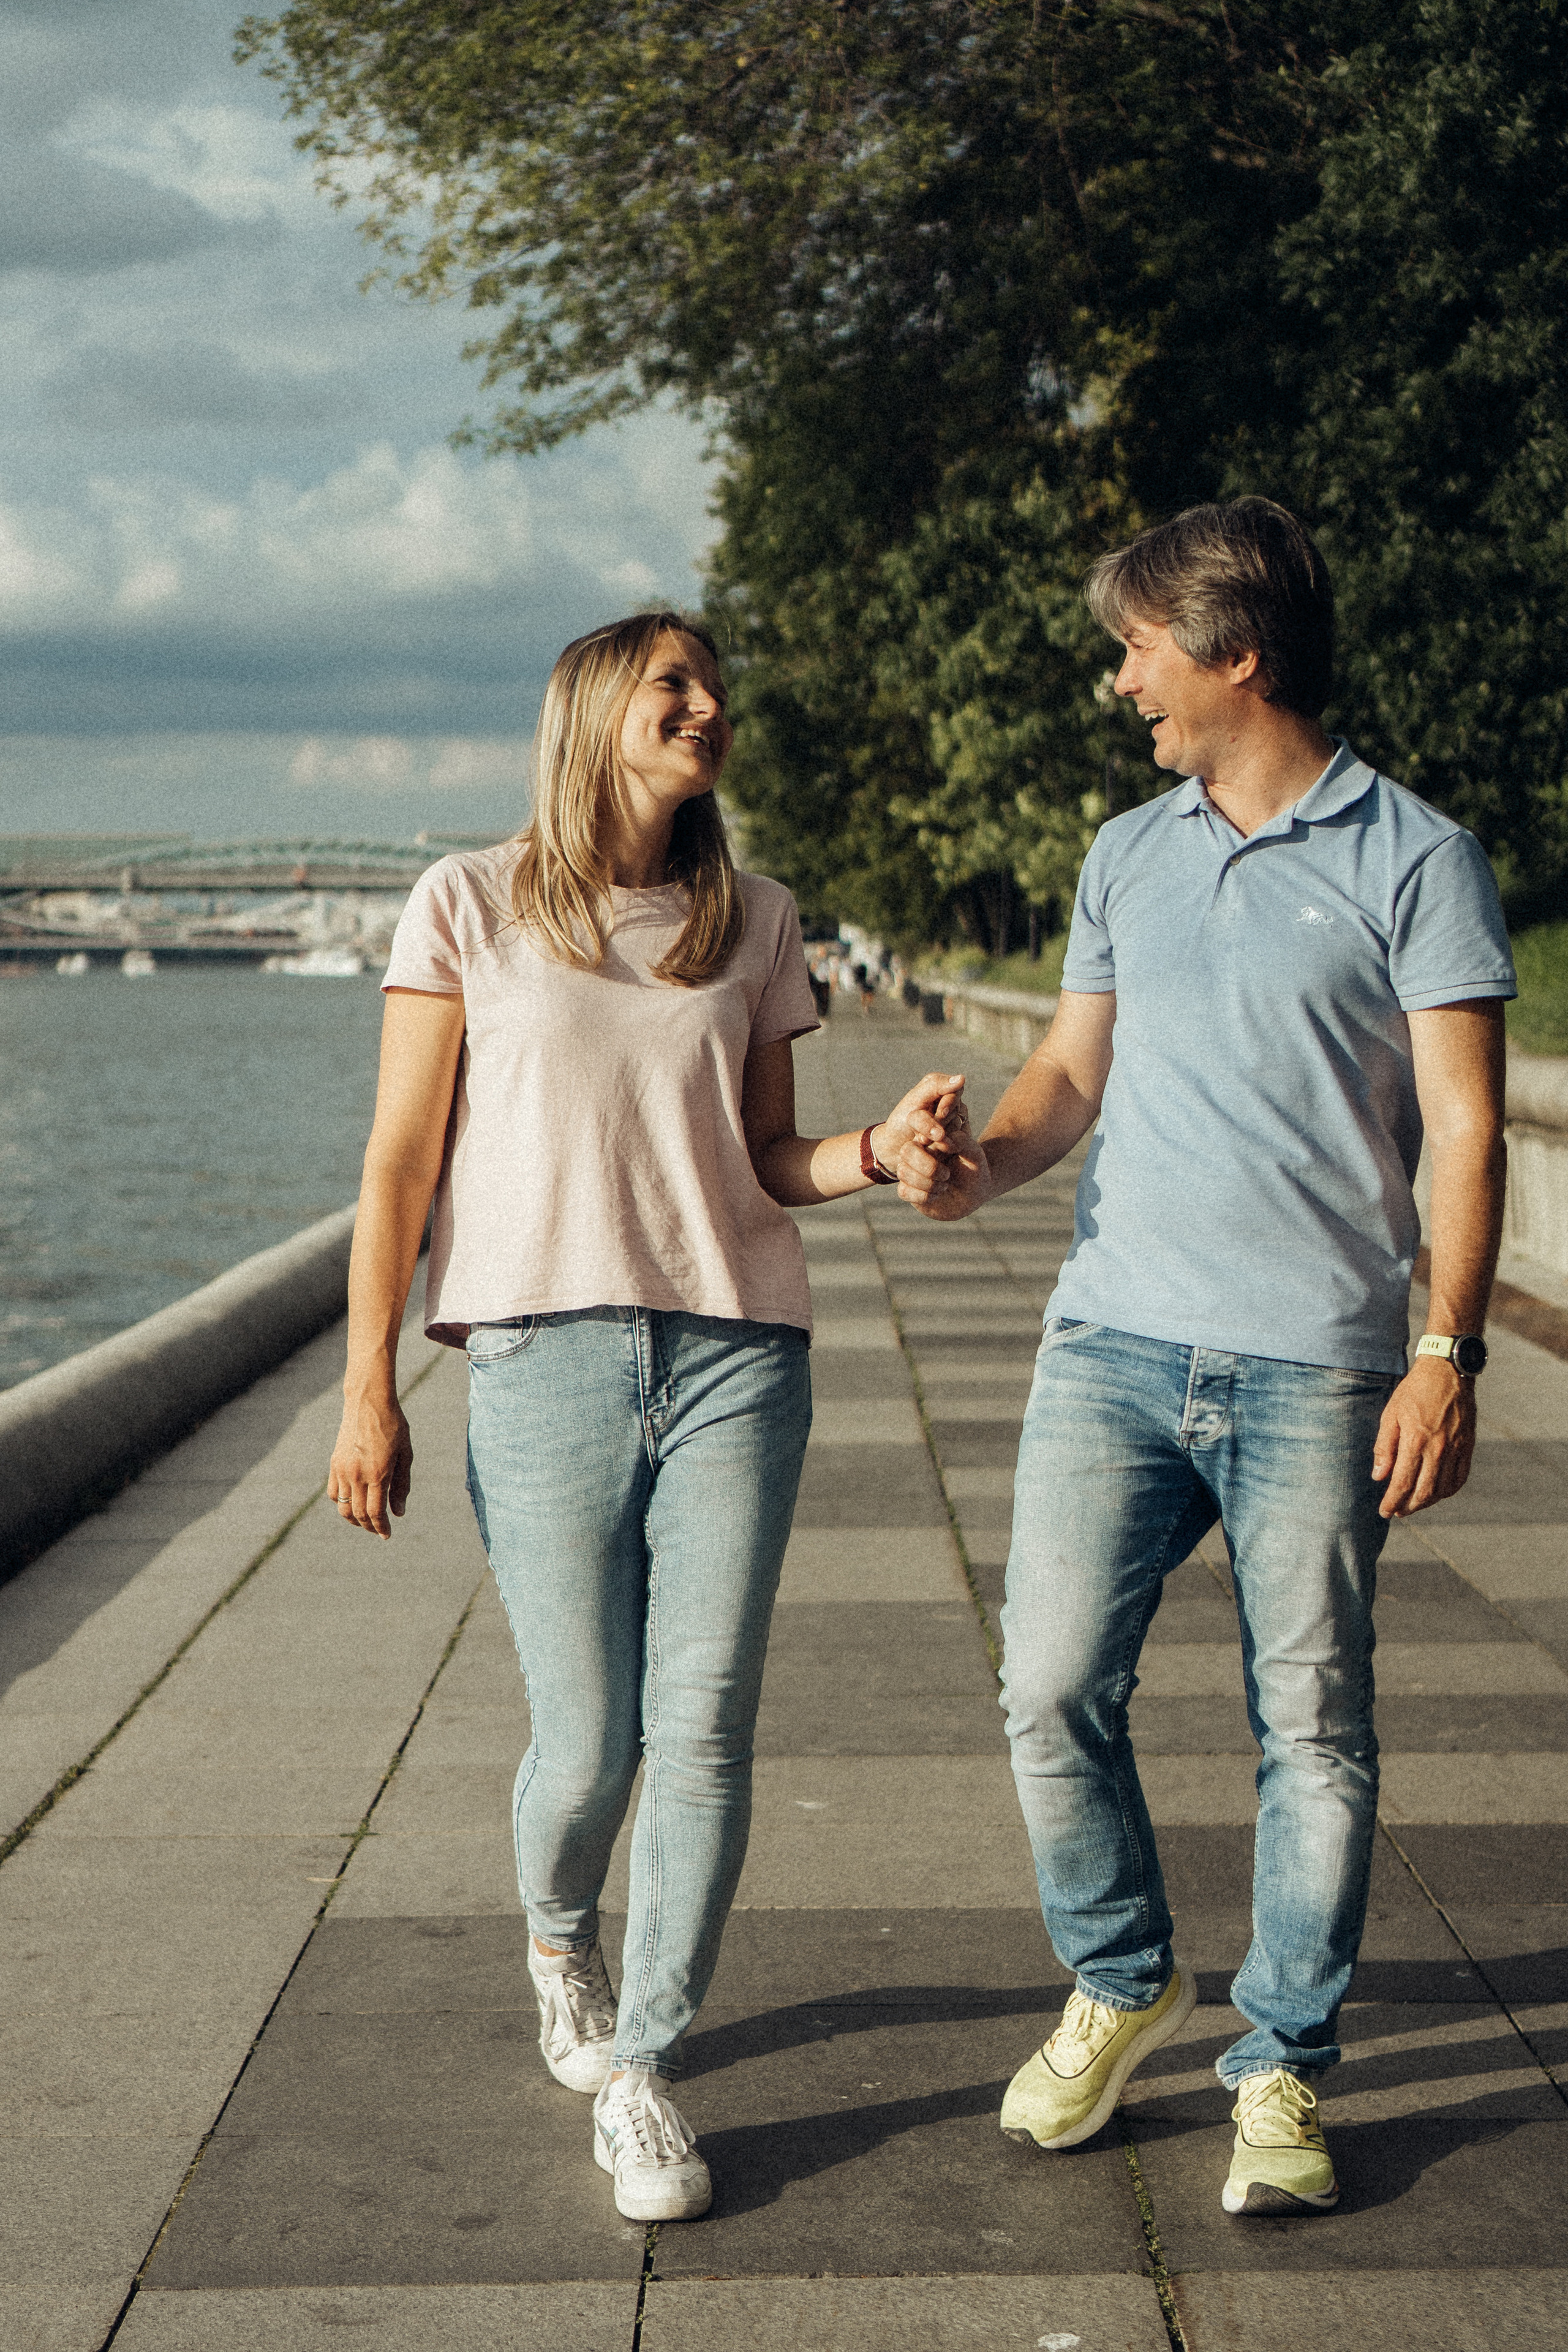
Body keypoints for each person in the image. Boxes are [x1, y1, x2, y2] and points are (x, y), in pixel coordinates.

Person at [897, 499, 1513, 2215]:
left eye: (1138, 647)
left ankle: (1284, 2062)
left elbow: (1468, 1130)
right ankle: (1120, 1977)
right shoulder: (1125, 853)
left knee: (1310, 1723)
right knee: (1045, 1686)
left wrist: (1447, 1352)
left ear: (1235, 653)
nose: (1121, 682)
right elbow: (1067, 1082)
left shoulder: (1418, 857)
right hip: (1112, 1340)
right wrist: (974, 1168)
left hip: (1318, 1363)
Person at [326, 610, 965, 2227]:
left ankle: (646, 2069)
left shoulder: (756, 918)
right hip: (540, 1358)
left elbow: (768, 1157)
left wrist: (879, 1153)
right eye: (673, 681)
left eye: (714, 686)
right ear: (593, 707)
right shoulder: (468, 900)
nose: (706, 705)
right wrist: (368, 1390)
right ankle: (561, 1939)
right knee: (589, 1737)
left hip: (737, 1353)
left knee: (705, 1727)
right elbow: (401, 1162)